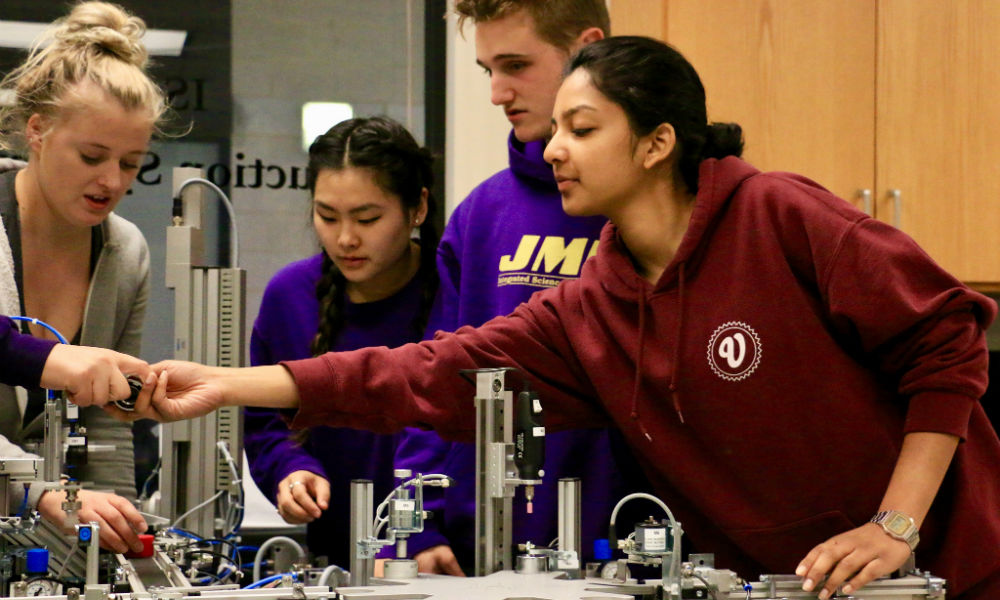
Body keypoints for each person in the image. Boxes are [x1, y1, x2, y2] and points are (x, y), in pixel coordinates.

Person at [122, 37, 1000, 599]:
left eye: (582, 128)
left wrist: (894, 527)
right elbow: (424, 372)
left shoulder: (780, 217)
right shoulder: (592, 308)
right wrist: (230, 384)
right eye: (558, 131)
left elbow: (948, 341)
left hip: (938, 572)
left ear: (657, 143)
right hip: (789, 586)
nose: (552, 149)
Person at [392, 0, 649, 575]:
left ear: (585, 47)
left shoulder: (653, 213)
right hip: (486, 551)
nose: (497, 93)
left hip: (631, 549)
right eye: (489, 71)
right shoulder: (482, 215)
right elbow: (434, 375)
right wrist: (417, 526)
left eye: (516, 65)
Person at [0, 0, 166, 553]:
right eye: (92, 155)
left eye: (130, 163)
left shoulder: (126, 252)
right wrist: (36, 488)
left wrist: (114, 548)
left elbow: (110, 424)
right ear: (39, 131)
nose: (110, 181)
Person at [242, 116, 439, 570]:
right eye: (327, 216)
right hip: (337, 558)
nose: (346, 238)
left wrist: (429, 529)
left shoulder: (456, 291)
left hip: (441, 554)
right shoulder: (289, 296)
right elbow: (267, 426)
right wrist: (292, 471)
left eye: (368, 218)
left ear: (417, 208)